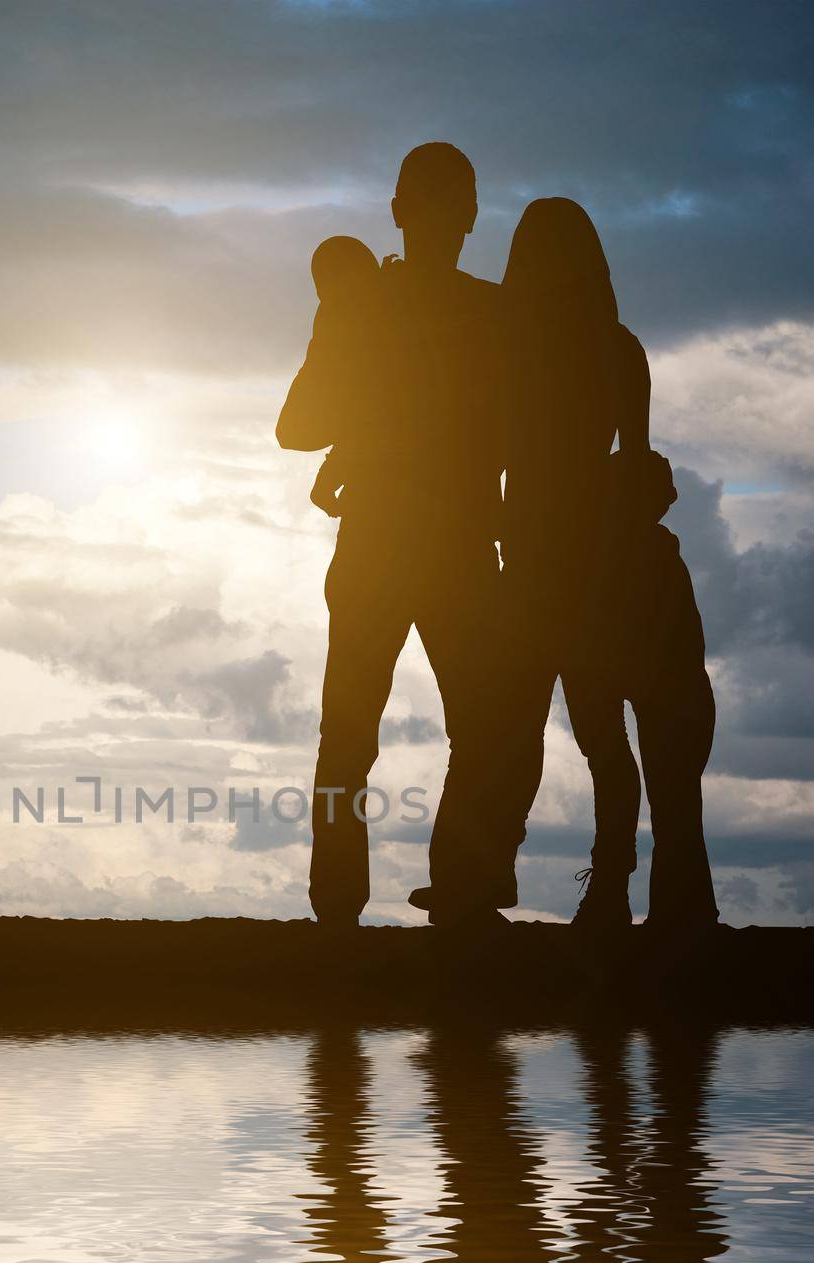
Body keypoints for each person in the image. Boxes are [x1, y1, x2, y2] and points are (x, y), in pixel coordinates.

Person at [276, 143, 514, 930]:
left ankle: (341, 908)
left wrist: (366, 423)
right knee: (477, 729)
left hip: (385, 544)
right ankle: (462, 893)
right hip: (453, 550)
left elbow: (299, 426)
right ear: (471, 216)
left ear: (396, 211)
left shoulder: (359, 307)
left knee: (352, 735)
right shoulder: (492, 315)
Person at [494, 198, 718, 930]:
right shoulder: (619, 348)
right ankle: (651, 900)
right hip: (611, 559)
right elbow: (638, 461)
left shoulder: (513, 351)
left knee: (603, 748)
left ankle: (612, 892)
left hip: (559, 570)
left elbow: (503, 464)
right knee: (642, 753)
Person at [304, 235, 381, 517]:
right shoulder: (343, 327)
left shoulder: (366, 329)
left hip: (376, 496)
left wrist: (326, 482)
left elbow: (363, 424)